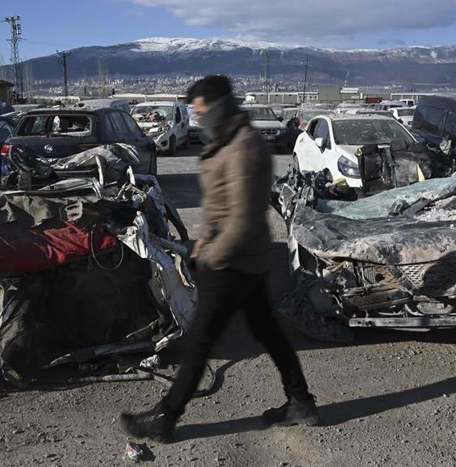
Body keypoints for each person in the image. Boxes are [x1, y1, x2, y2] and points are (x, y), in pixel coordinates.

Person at [119, 75, 318, 442]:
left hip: (234, 261)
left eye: (200, 109)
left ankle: (166, 417)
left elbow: (241, 218)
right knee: (268, 331)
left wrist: (211, 255)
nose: (196, 117)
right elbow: (223, 206)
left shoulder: (242, 146)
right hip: (244, 256)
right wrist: (202, 242)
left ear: (218, 106)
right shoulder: (229, 141)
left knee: (199, 340)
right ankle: (300, 402)